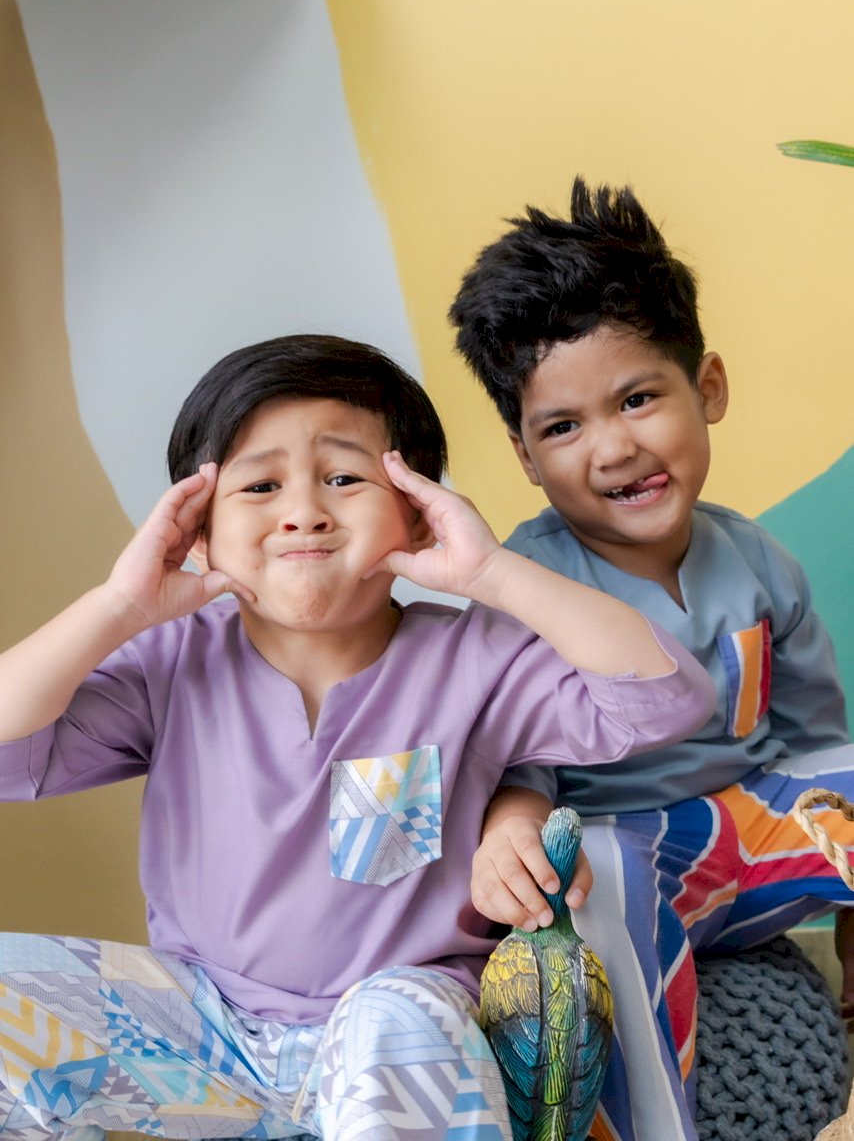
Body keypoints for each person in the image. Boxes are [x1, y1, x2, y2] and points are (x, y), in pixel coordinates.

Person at [0, 333, 715, 1141]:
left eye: (344, 478)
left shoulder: (475, 659)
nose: (304, 511)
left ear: (417, 509)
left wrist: (490, 574)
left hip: (396, 1027)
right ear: (196, 529)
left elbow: (665, 700)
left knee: (397, 1021)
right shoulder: (168, 662)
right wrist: (118, 606)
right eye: (260, 486)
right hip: (202, 1027)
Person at [448, 179, 854, 1141]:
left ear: (706, 387)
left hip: (752, 849)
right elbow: (516, 765)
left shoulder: (758, 560)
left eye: (637, 399)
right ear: (524, 455)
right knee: (592, 865)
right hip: (629, 866)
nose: (614, 448)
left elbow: (818, 739)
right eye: (563, 427)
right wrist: (513, 827)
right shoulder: (529, 584)